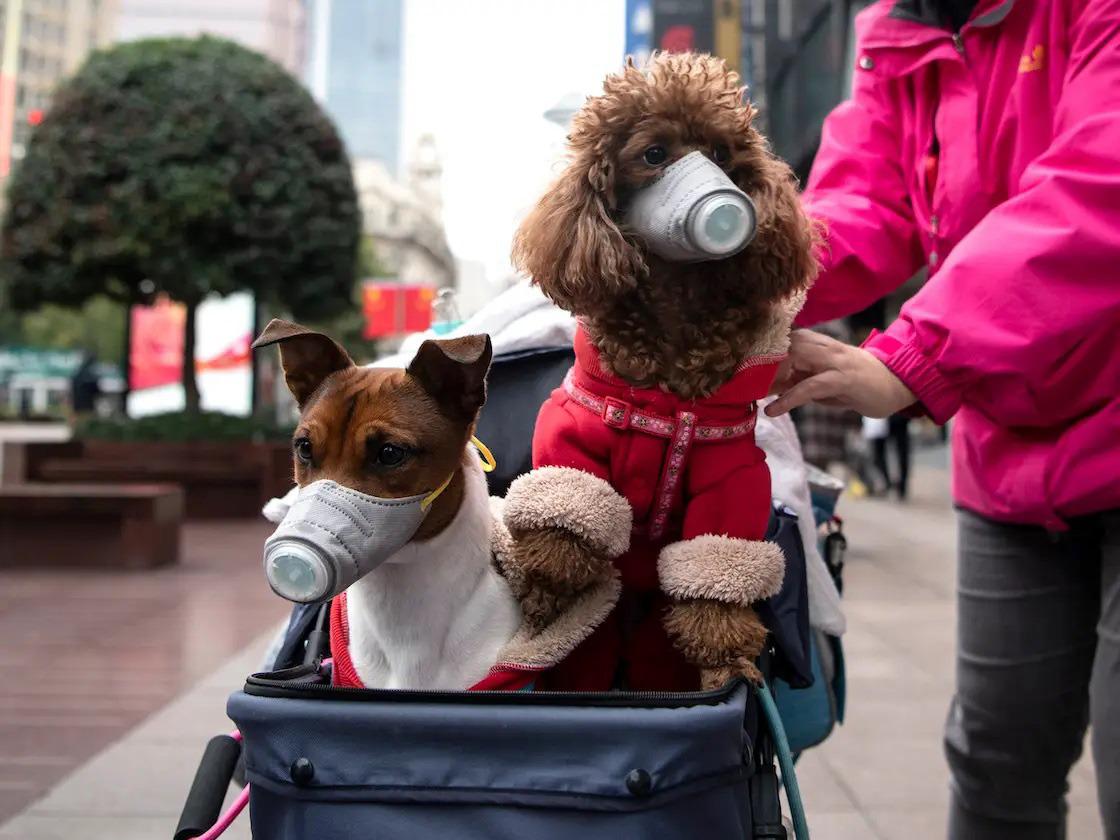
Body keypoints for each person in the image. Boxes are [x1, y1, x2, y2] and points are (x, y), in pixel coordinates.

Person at [766, 1, 1120, 838]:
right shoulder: (896, 30)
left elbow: (1098, 189)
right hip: (1010, 456)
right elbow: (863, 205)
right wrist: (723, 287)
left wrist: (915, 355)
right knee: (995, 762)